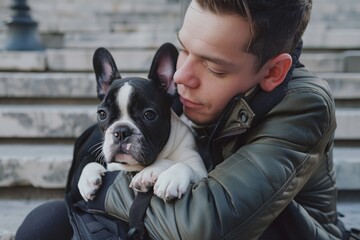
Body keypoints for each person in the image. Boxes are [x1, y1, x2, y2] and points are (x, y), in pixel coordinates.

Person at [16, 0, 352, 239]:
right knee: (44, 223)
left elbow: (204, 227)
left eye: (213, 66)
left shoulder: (304, 105)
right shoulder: (195, 97)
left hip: (265, 231)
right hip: (172, 209)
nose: (181, 76)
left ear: (273, 71)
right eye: (184, 50)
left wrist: (105, 186)